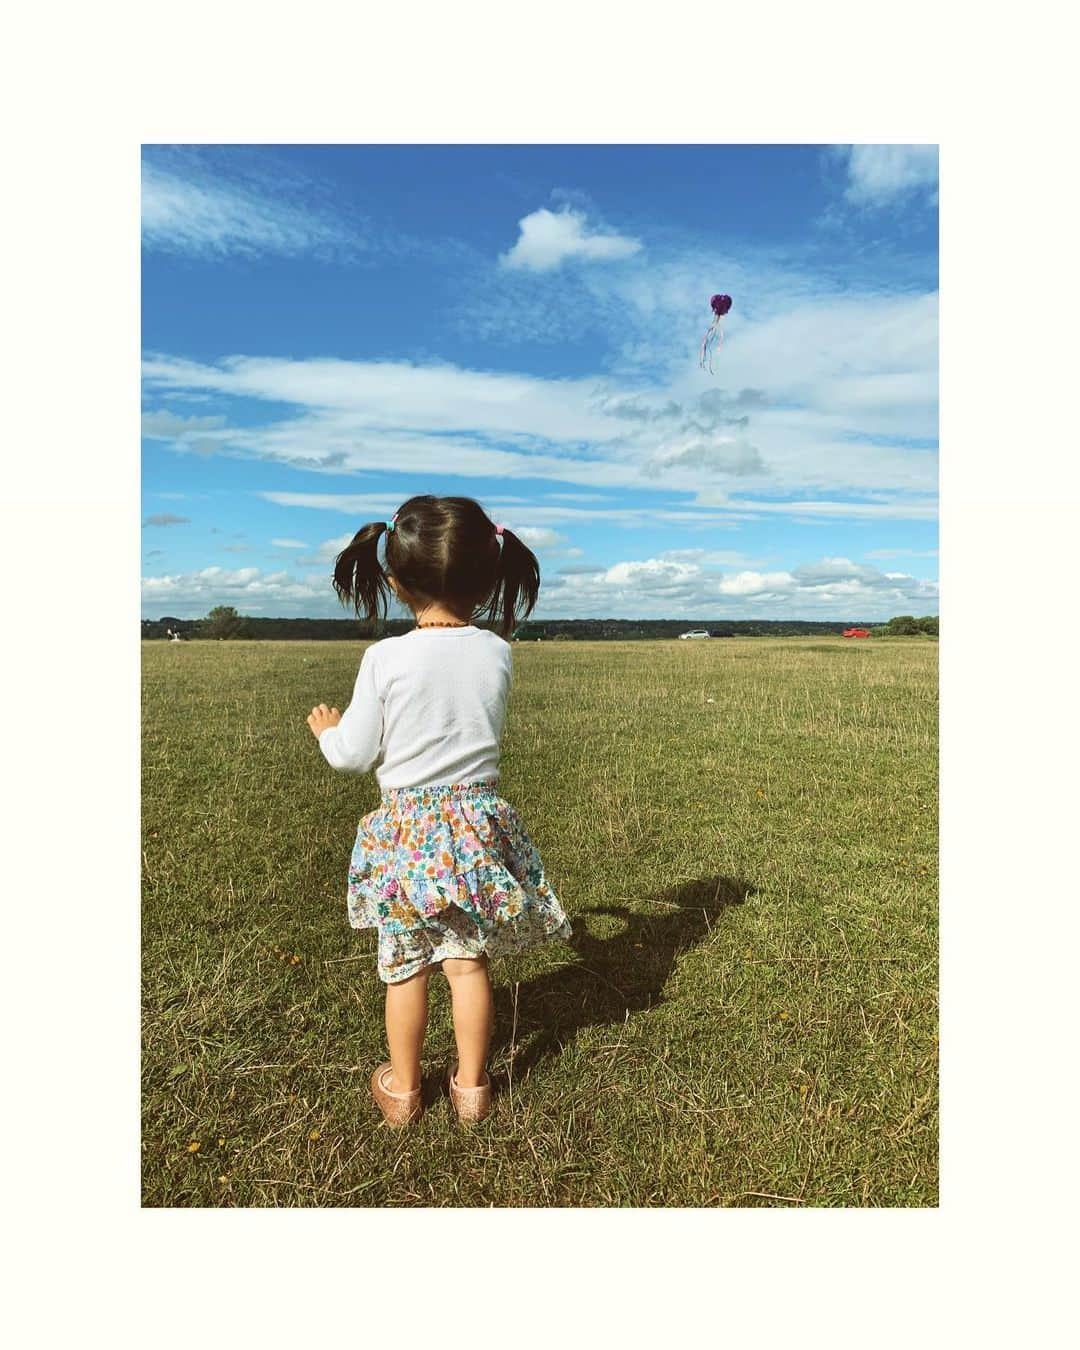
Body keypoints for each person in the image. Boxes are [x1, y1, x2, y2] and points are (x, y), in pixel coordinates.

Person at [305, 495, 572, 1127]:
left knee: (404, 967)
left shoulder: (386, 658)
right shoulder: (497, 652)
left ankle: (402, 1089)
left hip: (407, 838)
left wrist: (326, 731)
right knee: (467, 959)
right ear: (486, 579)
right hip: (477, 829)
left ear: (394, 581)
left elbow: (352, 755)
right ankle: (472, 1090)